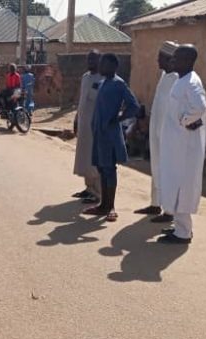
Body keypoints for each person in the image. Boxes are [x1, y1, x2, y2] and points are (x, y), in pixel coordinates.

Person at [157, 45, 206, 245]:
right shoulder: (182, 80)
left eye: (176, 58)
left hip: (185, 146)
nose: (172, 61)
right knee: (175, 184)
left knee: (183, 186)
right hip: (175, 144)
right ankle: (180, 227)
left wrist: (185, 121)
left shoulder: (192, 82)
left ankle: (184, 233)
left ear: (187, 60)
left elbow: (200, 106)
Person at [81, 54, 139, 223]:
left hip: (110, 134)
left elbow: (134, 106)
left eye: (104, 64)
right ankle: (103, 204)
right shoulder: (103, 82)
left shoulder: (118, 84)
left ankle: (111, 206)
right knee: (101, 167)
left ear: (113, 67)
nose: (100, 67)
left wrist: (119, 118)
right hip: (98, 132)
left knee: (109, 169)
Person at [135, 41, 178, 221]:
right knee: (156, 168)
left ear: (169, 60)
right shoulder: (164, 75)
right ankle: (155, 204)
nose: (157, 61)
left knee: (168, 170)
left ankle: (169, 211)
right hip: (156, 131)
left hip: (169, 135)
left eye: (160, 58)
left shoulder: (176, 79)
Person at [72, 50, 104, 204]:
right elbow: (81, 101)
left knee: (94, 159)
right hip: (84, 124)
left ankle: (98, 193)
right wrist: (76, 119)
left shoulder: (104, 79)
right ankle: (88, 188)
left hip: (96, 126)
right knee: (84, 157)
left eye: (94, 59)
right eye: (89, 59)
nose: (90, 62)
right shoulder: (85, 77)